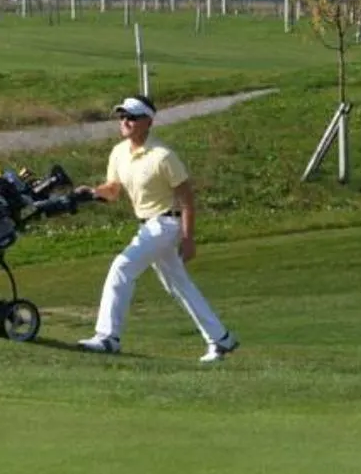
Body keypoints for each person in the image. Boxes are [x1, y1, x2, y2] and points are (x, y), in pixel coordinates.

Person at [76, 96, 239, 361]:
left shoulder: (163, 156)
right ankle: (221, 339)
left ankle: (108, 337)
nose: (125, 121)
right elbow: (113, 191)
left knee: (122, 267)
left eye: (132, 117)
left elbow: (187, 199)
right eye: (122, 116)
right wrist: (92, 192)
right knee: (178, 285)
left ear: (148, 121)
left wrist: (188, 238)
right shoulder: (119, 152)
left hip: (167, 223)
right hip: (149, 226)